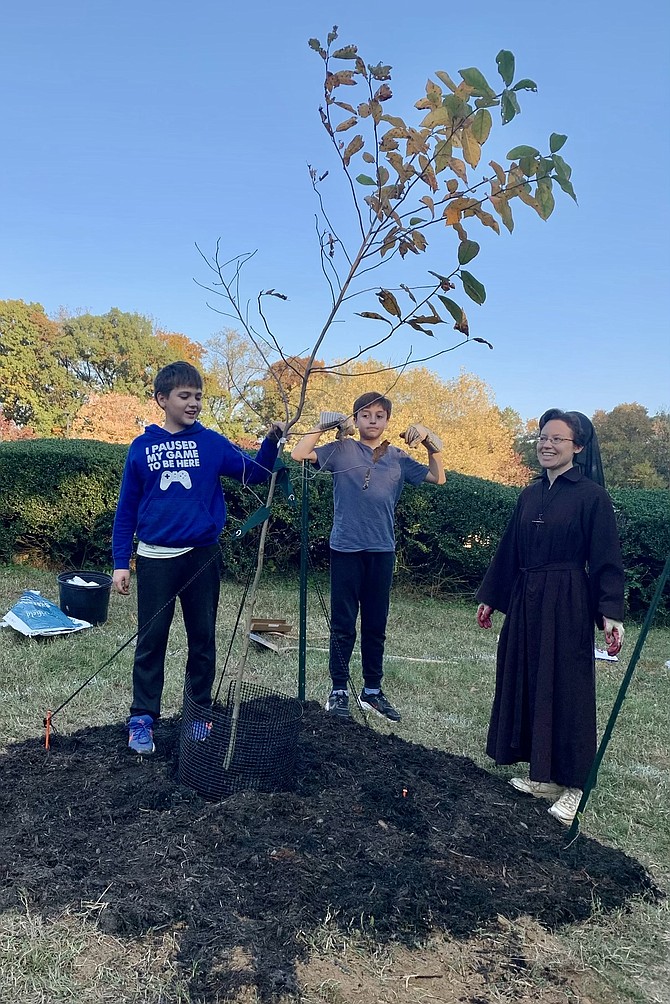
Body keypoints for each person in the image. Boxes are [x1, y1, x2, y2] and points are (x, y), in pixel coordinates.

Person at [112, 361, 281, 755]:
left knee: (202, 639)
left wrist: (272, 440)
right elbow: (126, 510)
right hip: (155, 558)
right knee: (151, 640)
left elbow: (255, 472)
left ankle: (199, 713)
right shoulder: (141, 447)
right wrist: (122, 562)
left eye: (199, 397)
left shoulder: (212, 443)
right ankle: (142, 718)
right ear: (162, 399)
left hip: (202, 557)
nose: (193, 404)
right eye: (185, 396)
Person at [476, 409, 625, 825]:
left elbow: (606, 558)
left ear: (577, 447)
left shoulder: (592, 496)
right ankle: (542, 774)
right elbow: (511, 550)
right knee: (527, 675)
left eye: (558, 439)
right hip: (526, 598)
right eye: (543, 436)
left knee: (567, 685)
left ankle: (575, 785)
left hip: (568, 600)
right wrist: (493, 596)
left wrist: (610, 612)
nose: (546, 443)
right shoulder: (529, 494)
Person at [291, 391, 446, 722]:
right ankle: (338, 691)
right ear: (356, 419)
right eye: (365, 415)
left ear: (388, 420)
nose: (372, 420)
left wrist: (431, 443)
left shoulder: (398, 457)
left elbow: (438, 477)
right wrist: (322, 425)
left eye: (379, 415)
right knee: (343, 624)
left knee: (376, 624)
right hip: (346, 548)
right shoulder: (342, 449)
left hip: (381, 550)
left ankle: (372, 692)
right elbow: (299, 453)